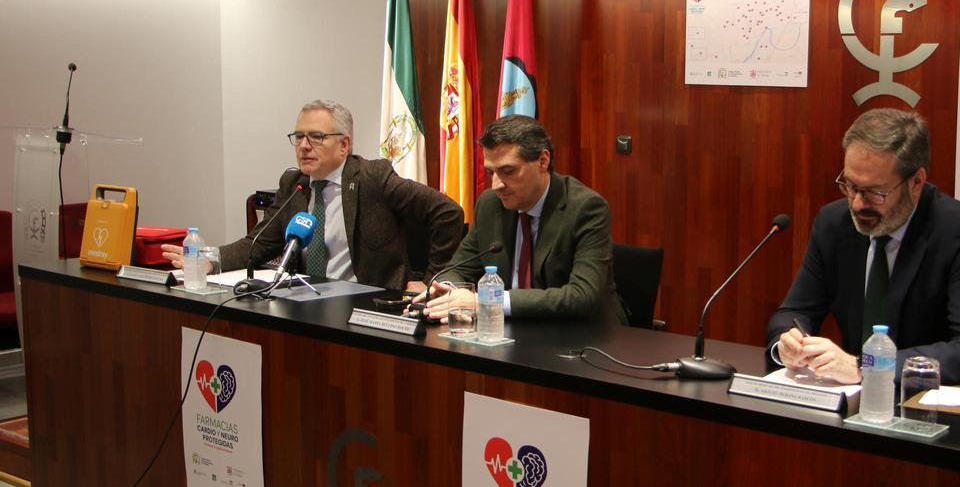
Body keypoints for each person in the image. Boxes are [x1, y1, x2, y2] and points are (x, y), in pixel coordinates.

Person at [766, 108, 960, 385]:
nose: (856, 204)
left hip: (929, 408)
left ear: (916, 183)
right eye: (850, 186)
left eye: (875, 192)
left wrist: (868, 366)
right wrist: (788, 342)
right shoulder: (834, 223)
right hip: (852, 403)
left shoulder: (958, 231)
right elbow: (794, 311)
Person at [164, 99, 463, 291]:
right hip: (310, 301)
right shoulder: (294, 184)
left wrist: (431, 282)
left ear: (344, 145)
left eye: (316, 137)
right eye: (299, 137)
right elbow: (258, 244)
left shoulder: (374, 178)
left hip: (370, 306)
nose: (304, 146)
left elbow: (448, 213)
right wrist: (210, 259)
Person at [420, 114, 627, 324]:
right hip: (512, 332)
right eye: (491, 173)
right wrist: (449, 293)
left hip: (583, 336)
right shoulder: (490, 204)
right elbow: (458, 269)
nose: (497, 185)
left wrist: (487, 300)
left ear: (543, 161)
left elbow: (582, 296)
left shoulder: (586, 208)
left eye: (508, 171)